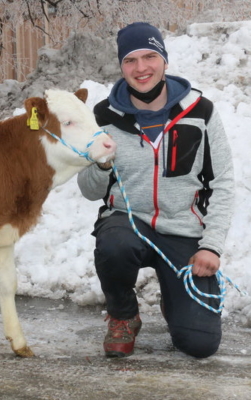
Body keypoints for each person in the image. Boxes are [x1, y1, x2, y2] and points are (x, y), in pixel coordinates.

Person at [77, 22, 235, 358]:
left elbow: (222, 183)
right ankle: (123, 315)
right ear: (121, 67)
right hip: (127, 222)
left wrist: (212, 248)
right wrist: (101, 165)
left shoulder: (200, 112)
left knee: (200, 345)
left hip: (182, 229)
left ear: (164, 60)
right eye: (130, 60)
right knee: (114, 244)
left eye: (150, 56)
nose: (141, 68)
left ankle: (175, 299)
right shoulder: (105, 115)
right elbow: (89, 191)